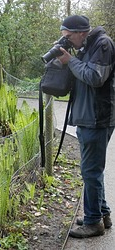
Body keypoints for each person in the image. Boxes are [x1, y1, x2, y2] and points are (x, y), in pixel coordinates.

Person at [57, 15, 115, 238]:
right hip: (87, 117)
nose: (68, 41)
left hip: (97, 118)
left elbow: (94, 77)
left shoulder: (103, 44)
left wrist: (70, 61)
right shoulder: (86, 46)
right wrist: (67, 60)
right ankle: (102, 214)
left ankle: (93, 223)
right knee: (92, 171)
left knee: (90, 171)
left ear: (81, 32)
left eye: (69, 37)